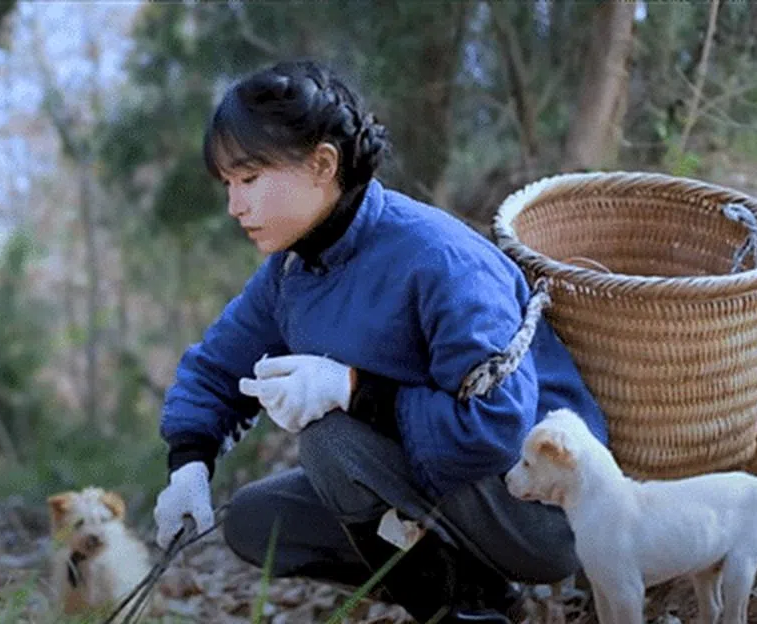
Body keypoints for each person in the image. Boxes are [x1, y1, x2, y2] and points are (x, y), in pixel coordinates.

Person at [151, 59, 609, 624]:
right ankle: (479, 597)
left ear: (323, 164)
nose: (235, 205)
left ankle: (454, 615)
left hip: (544, 508)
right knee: (256, 521)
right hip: (443, 487)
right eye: (227, 184)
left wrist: (354, 390)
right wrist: (189, 463)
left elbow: (498, 426)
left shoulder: (440, 258)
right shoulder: (293, 270)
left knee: (329, 441)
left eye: (249, 179)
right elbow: (217, 368)